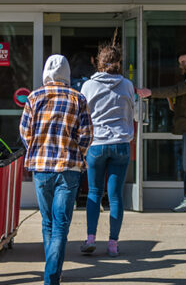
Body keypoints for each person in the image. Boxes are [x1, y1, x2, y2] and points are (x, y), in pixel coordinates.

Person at [19, 54, 93, 285]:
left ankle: (53, 274)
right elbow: (87, 134)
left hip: (41, 168)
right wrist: (77, 153)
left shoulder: (33, 97)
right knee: (61, 224)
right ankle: (52, 276)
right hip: (68, 167)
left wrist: (37, 149)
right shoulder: (78, 98)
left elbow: (24, 132)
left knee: (48, 222)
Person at [138, 51, 186, 212]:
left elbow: (177, 90)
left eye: (183, 62)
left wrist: (151, 92)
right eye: (179, 62)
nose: (180, 66)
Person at [79, 41, 135, 257]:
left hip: (97, 144)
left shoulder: (88, 86)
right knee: (115, 196)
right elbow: (132, 112)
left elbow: (84, 117)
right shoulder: (127, 85)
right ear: (119, 64)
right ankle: (113, 243)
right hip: (121, 144)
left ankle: (90, 238)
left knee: (94, 192)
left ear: (98, 63)